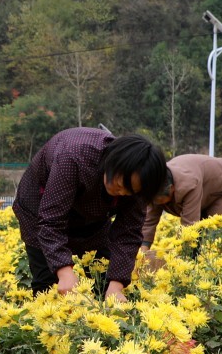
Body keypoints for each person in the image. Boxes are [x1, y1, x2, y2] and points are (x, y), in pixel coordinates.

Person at [14, 128, 170, 302]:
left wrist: (116, 286)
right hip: (40, 207)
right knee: (49, 286)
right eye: (120, 185)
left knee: (102, 277)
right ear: (115, 163)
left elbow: (129, 233)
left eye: (130, 191)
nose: (123, 192)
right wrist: (64, 271)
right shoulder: (73, 157)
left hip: (93, 213)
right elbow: (50, 221)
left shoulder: (138, 185)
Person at [140, 153, 222, 248]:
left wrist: (181, 258)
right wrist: (144, 248)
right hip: (200, 175)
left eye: (161, 201)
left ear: (171, 188)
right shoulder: (155, 181)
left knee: (213, 234)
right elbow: (150, 220)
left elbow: (189, 224)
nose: (159, 205)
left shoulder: (188, 185)